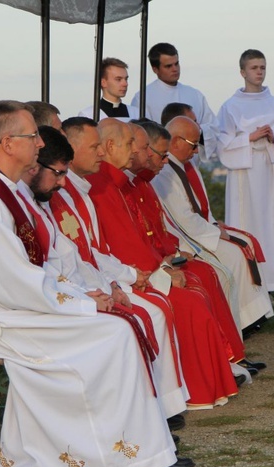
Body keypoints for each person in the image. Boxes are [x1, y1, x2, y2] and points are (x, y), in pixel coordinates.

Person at [0, 100, 188, 467]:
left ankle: (132, 451)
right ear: (7, 143)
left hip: (14, 306)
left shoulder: (13, 193)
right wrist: (85, 303)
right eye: (32, 135)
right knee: (112, 334)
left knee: (115, 328)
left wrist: (88, 292)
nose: (40, 142)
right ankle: (108, 455)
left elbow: (50, 261)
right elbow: (15, 282)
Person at [58, 117, 242, 407]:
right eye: (131, 143)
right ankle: (173, 398)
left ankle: (199, 383)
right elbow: (113, 246)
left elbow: (125, 241)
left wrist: (158, 266)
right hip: (105, 281)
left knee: (199, 281)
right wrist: (149, 275)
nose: (134, 152)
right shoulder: (100, 185)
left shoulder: (106, 183)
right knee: (176, 304)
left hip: (118, 274)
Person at [20, 125, 190, 423]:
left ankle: (157, 409)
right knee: (130, 323)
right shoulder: (38, 198)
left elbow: (78, 254)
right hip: (45, 303)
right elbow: (43, 270)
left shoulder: (60, 194)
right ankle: (131, 418)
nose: (100, 153)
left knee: (145, 315)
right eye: (94, 147)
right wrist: (96, 294)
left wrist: (111, 282)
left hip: (79, 286)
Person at [127, 121, 265, 375]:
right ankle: (219, 361)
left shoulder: (143, 182)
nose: (161, 160)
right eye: (155, 151)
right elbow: (164, 225)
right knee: (216, 273)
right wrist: (172, 255)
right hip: (147, 266)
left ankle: (232, 353)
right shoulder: (140, 182)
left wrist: (178, 248)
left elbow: (161, 224)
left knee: (219, 271)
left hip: (169, 252)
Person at [154, 116, 274, 331]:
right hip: (188, 238)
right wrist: (214, 232)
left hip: (199, 229)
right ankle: (243, 320)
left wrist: (214, 226)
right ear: (176, 141)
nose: (197, 151)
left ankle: (255, 313)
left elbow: (196, 207)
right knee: (235, 254)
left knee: (246, 243)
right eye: (193, 145)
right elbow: (182, 218)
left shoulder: (180, 165)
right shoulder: (164, 172)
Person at [216, 49, 274, 292]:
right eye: (254, 68)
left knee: (273, 224)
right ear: (242, 72)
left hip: (270, 171)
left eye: (263, 67)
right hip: (244, 173)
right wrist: (249, 138)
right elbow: (223, 144)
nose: (259, 72)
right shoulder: (230, 107)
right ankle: (250, 285)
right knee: (247, 223)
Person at [130, 43, 219, 162]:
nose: (175, 69)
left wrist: (196, 131)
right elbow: (141, 133)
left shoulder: (194, 94)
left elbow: (214, 128)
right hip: (160, 164)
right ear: (155, 69)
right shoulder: (143, 97)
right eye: (168, 66)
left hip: (191, 162)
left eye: (176, 63)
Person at [78, 58, 140, 122]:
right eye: (118, 79)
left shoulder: (136, 114)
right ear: (103, 82)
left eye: (126, 79)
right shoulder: (88, 115)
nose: (125, 84)